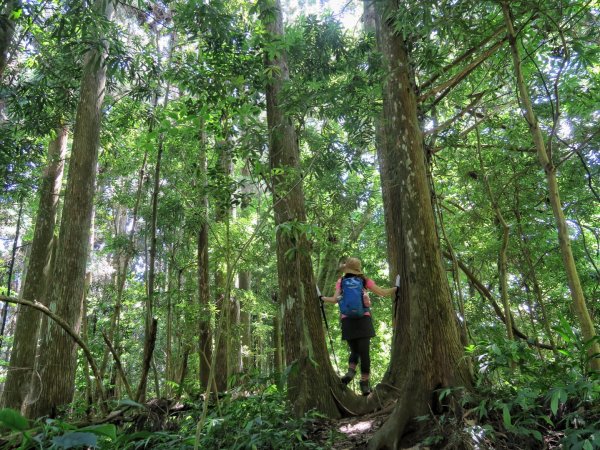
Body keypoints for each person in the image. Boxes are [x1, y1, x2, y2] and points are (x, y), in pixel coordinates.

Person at [320, 257, 397, 396]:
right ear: (358, 269)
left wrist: (321, 298)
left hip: (347, 320)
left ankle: (350, 373)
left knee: (354, 350)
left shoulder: (341, 281)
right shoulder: (364, 280)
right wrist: (396, 288)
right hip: (363, 319)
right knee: (364, 353)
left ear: (346, 269)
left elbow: (333, 300)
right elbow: (382, 292)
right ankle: (364, 384)